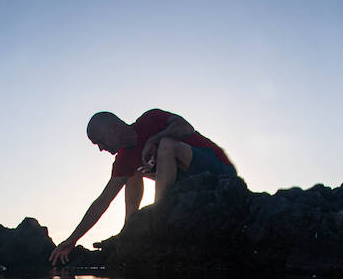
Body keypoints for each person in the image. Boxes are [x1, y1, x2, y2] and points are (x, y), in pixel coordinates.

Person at [49, 109, 236, 266]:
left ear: (114, 128)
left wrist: (153, 140)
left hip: (218, 170)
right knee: (131, 173)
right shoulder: (123, 160)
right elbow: (102, 201)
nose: (100, 148)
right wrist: (72, 239)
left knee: (166, 144)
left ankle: (159, 214)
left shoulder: (150, 119)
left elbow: (185, 127)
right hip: (187, 185)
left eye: (100, 141)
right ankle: (129, 228)